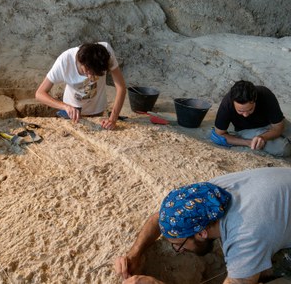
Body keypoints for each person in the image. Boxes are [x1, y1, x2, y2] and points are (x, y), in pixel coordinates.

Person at [114, 167, 291, 284]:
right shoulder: (209, 194)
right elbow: (160, 219)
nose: (179, 250)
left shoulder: (245, 234)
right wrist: (135, 253)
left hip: (264, 219)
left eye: (178, 245)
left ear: (202, 234)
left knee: (271, 276)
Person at [35, 42, 126, 130]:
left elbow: (121, 87)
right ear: (80, 61)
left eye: (95, 74)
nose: (91, 77)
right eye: (86, 72)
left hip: (97, 110)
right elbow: (39, 94)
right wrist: (65, 106)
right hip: (71, 111)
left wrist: (113, 119)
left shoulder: (105, 53)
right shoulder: (64, 61)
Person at [211, 80, 291, 156]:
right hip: (246, 130)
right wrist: (247, 142)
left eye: (250, 109)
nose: (245, 114)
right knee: (284, 149)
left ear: (255, 99)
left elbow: (278, 127)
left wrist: (262, 137)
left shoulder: (265, 94)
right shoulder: (227, 104)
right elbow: (220, 134)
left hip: (270, 123)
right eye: (240, 111)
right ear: (232, 102)